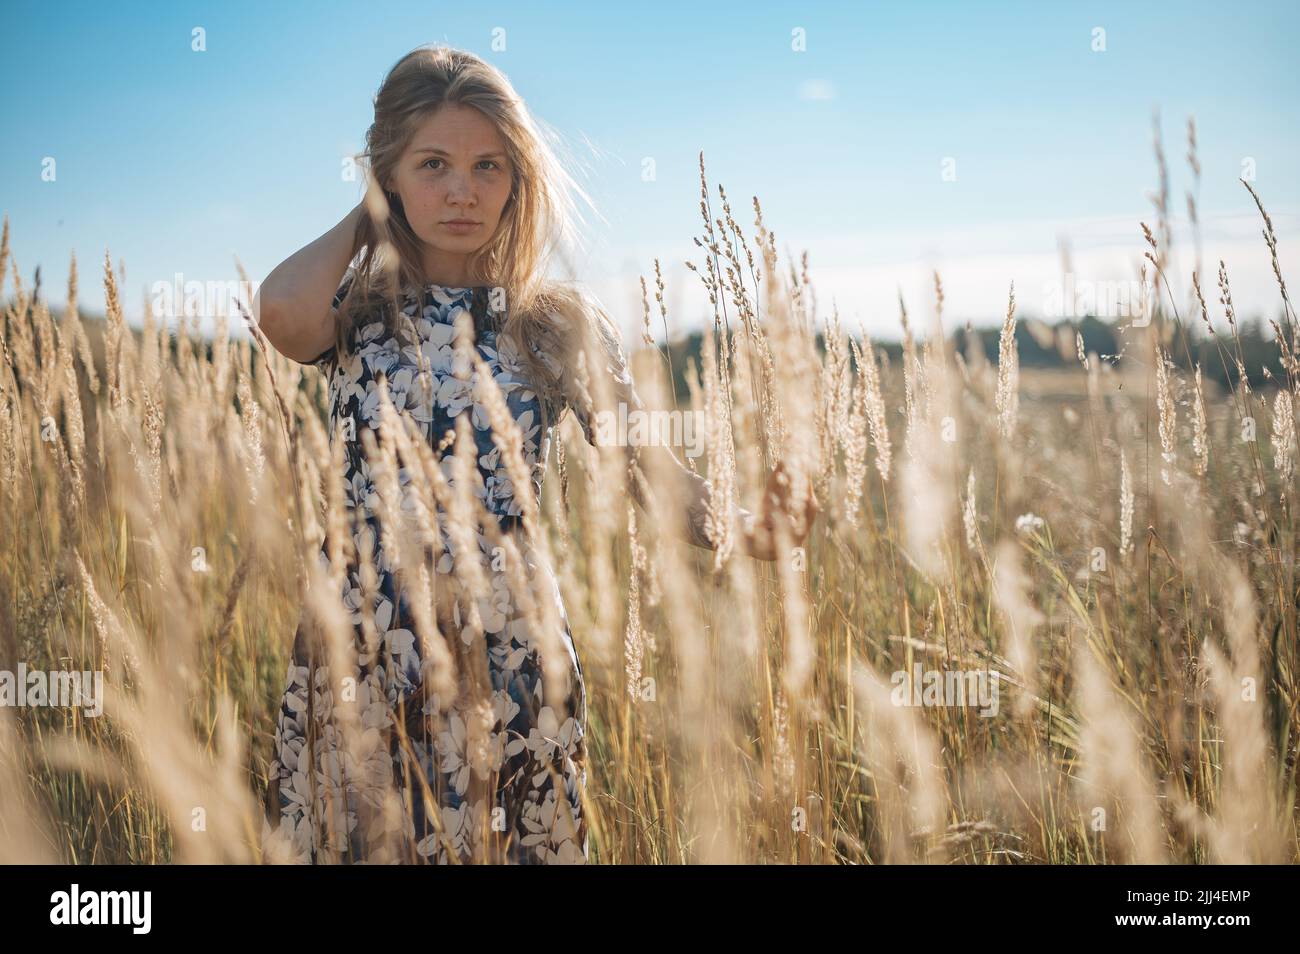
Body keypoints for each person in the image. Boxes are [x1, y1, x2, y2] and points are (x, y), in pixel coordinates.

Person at [254, 44, 817, 864]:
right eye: (432, 164)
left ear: (518, 179)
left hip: (508, 653)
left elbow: (646, 470)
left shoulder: (551, 324)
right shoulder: (357, 310)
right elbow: (278, 311)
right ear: (389, 175)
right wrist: (368, 213)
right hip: (364, 652)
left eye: (489, 166)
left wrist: (741, 525)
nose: (461, 190)